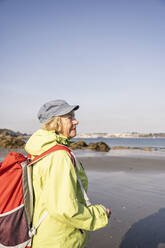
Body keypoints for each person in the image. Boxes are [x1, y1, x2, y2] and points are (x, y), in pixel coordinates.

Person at [25, 99, 111, 248]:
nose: (76, 121)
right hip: (60, 240)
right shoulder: (59, 156)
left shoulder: (40, 150)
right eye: (70, 117)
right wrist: (100, 214)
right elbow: (64, 209)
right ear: (55, 122)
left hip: (44, 234)